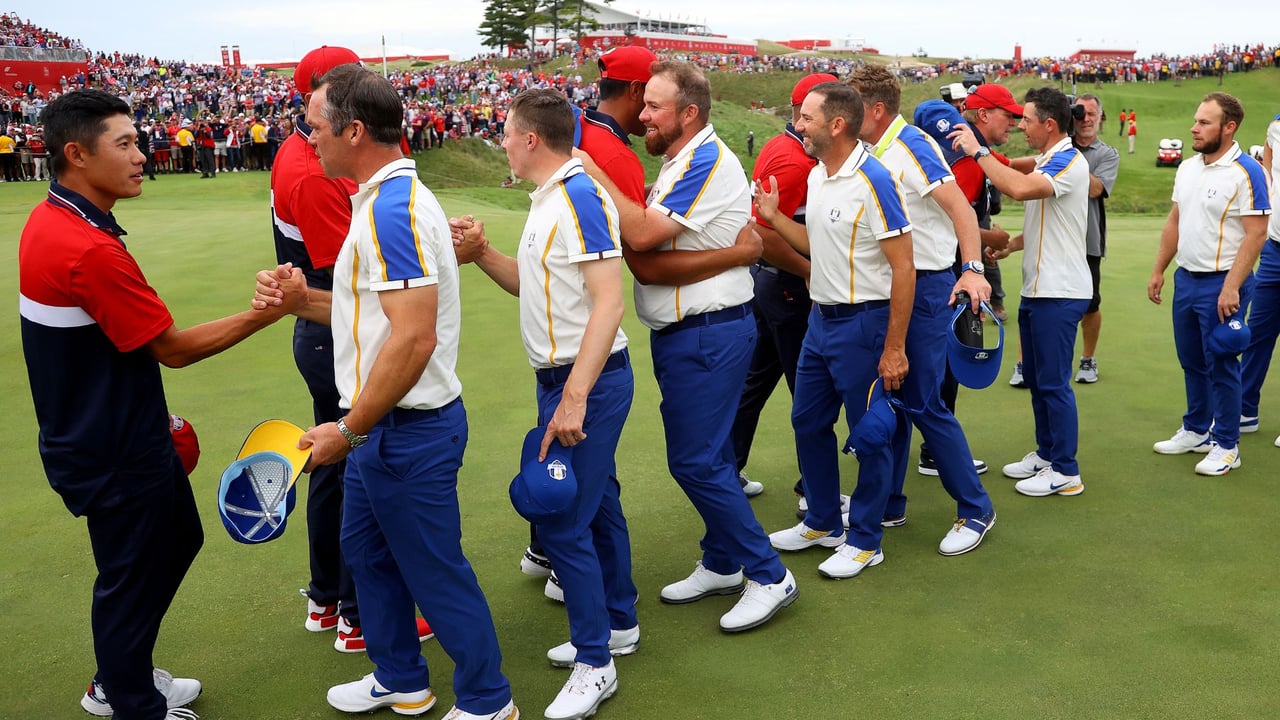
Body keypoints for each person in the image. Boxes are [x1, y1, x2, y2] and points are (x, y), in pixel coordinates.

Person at [19, 89, 302, 720]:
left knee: (167, 545)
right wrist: (269, 313)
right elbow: (170, 349)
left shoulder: (54, 218)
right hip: (111, 448)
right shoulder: (88, 248)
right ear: (76, 154)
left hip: (107, 433)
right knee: (132, 573)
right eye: (123, 144)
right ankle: (129, 700)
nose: (142, 155)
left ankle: (120, 678)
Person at [256, 64, 517, 720]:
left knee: (434, 570)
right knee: (368, 555)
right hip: (386, 427)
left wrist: (347, 429)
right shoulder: (380, 200)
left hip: (406, 429)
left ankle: (489, 700)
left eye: (313, 127)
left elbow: (412, 338)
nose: (305, 138)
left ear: (353, 129)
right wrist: (299, 301)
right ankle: (401, 676)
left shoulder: (393, 210)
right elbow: (368, 316)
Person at [581, 60, 798, 631]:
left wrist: (594, 173)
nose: (643, 114)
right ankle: (724, 560)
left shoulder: (703, 155)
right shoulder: (682, 158)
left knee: (695, 462)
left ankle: (769, 573)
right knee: (715, 455)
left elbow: (645, 240)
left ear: (689, 113)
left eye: (654, 106)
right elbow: (650, 260)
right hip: (694, 333)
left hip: (708, 333)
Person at [453, 88, 632, 720]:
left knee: (562, 520)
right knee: (597, 500)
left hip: (588, 380)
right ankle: (618, 624)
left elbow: (609, 302)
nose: (500, 140)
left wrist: (575, 398)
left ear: (532, 138)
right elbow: (534, 286)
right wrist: (481, 256)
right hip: (565, 378)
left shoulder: (579, 195)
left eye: (506, 131)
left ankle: (596, 662)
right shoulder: (550, 199)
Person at [270, 44, 434, 655]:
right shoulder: (320, 171)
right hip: (335, 332)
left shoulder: (306, 157)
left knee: (337, 468)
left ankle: (331, 601)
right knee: (345, 460)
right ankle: (354, 611)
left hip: (326, 318)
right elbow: (374, 295)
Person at [757, 80, 916, 579]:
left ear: (837, 124)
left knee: (869, 436)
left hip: (864, 324)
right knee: (807, 421)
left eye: (805, 117)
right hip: (820, 321)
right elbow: (815, 242)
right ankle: (824, 520)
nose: (797, 125)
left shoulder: (874, 179)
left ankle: (866, 538)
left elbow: (904, 268)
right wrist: (773, 218)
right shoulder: (818, 176)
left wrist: (894, 347)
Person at [844, 64, 996, 556]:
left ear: (877, 109)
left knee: (923, 401)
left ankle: (976, 508)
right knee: (893, 395)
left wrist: (971, 267)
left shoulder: (912, 144)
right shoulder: (871, 149)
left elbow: (962, 209)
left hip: (928, 285)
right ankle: (889, 501)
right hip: (890, 288)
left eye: (852, 105)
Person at [952, 86, 1091, 497]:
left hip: (1060, 290)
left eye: (1026, 120)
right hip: (1039, 288)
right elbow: (1041, 208)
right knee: (1036, 377)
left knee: (1053, 382)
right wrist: (1011, 244)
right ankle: (1048, 454)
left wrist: (977, 151)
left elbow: (1018, 187)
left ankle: (1066, 471)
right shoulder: (1049, 158)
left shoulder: (1067, 160)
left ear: (1049, 124)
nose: (1020, 126)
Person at [1148, 92, 1271, 475]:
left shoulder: (1247, 171)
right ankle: (1197, 429)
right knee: (1192, 362)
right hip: (1187, 279)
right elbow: (1175, 222)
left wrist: (1232, 286)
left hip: (1224, 284)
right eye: (1196, 120)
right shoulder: (1187, 167)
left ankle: (1227, 445)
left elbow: (1257, 234)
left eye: (1204, 122)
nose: (1194, 128)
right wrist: (1159, 270)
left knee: (1221, 362)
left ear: (1228, 127)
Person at [731, 74, 832, 503]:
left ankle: (727, 471)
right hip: (788, 285)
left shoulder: (781, 145)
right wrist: (809, 270)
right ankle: (814, 490)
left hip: (768, 287)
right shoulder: (796, 161)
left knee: (754, 383)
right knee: (809, 392)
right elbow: (765, 233)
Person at [1071, 94, 1120, 384]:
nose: (1086, 119)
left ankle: (1087, 359)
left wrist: (1067, 152)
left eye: (1092, 113)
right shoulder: (1059, 146)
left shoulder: (1107, 154)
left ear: (1100, 117)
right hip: (1057, 238)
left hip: (1088, 240)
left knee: (1090, 303)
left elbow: (1095, 189)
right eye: (1079, 113)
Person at [1240, 109, 1280, 443]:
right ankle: (1244, 408)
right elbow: (1268, 175)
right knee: (1258, 332)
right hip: (1275, 248)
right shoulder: (1275, 125)